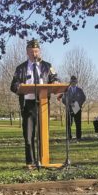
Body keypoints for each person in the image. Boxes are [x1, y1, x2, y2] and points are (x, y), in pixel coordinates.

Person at [10, 38, 59, 168]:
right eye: (31, 52)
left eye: (36, 51)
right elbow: (13, 85)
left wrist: (55, 83)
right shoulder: (20, 68)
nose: (34, 54)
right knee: (28, 136)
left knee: (43, 135)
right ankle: (30, 163)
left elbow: (55, 79)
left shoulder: (47, 66)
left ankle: (43, 161)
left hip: (42, 105)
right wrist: (19, 86)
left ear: (40, 51)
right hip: (28, 105)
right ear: (27, 52)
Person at [61, 76, 86, 142]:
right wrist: (68, 104)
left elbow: (83, 98)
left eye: (74, 81)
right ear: (70, 82)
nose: (73, 83)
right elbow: (63, 99)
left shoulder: (80, 90)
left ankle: (78, 137)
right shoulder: (66, 90)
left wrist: (78, 104)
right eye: (72, 81)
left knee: (78, 123)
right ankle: (69, 137)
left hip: (77, 107)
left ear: (76, 82)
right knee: (68, 123)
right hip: (69, 108)